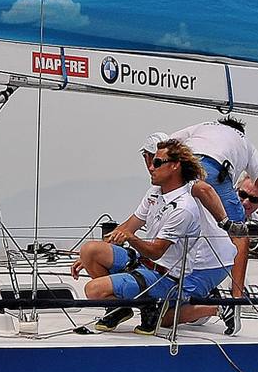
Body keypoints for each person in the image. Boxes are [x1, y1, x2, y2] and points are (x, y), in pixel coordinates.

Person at [71, 139, 204, 333]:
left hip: (165, 277)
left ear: (175, 166)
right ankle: (119, 307)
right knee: (90, 250)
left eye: (157, 163)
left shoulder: (184, 208)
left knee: (93, 290)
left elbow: (157, 252)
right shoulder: (155, 193)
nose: (151, 167)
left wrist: (131, 238)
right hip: (143, 263)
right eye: (151, 162)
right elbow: (129, 226)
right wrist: (85, 257)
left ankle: (149, 307)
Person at [167, 117, 258, 295]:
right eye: (243, 195)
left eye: (252, 199)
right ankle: (236, 296)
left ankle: (159, 279)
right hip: (213, 171)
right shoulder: (245, 143)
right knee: (239, 235)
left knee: (173, 218)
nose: (246, 201)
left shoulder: (201, 125)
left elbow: (164, 145)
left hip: (178, 170)